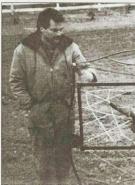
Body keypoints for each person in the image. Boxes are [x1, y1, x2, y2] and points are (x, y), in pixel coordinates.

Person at [9, 8, 97, 185]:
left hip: (64, 113)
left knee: (63, 161)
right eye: (54, 30)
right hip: (39, 114)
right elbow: (15, 81)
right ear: (42, 29)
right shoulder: (23, 49)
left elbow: (85, 67)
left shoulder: (70, 46)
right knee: (44, 162)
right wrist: (30, 105)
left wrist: (88, 74)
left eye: (61, 29)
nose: (59, 33)